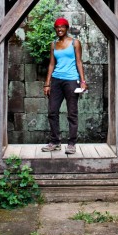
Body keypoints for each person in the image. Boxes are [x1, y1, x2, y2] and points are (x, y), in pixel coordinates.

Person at [41, 17, 87, 155]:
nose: (59, 29)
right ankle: (55, 142)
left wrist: (83, 81)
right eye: (57, 27)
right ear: (55, 29)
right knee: (52, 111)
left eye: (62, 27)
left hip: (72, 80)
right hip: (56, 80)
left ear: (67, 28)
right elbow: (51, 64)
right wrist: (47, 83)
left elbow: (79, 62)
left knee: (72, 113)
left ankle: (72, 143)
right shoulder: (53, 44)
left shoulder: (75, 43)